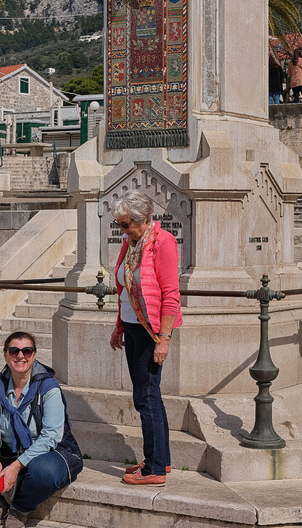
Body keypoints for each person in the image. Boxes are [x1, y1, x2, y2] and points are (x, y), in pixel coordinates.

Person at [0, 330, 83, 527]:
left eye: (27, 351)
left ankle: (19, 509)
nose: (20, 356)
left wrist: (16, 466)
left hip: (48, 452)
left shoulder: (48, 388)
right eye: (14, 351)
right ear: (5, 355)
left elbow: (51, 436)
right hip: (8, 450)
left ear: (34, 355)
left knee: (44, 471)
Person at [109, 191, 182, 486]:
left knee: (146, 397)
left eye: (125, 224)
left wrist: (164, 339)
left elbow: (171, 295)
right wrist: (119, 326)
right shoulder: (131, 243)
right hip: (132, 327)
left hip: (151, 331)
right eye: (119, 224)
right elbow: (125, 290)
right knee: (150, 395)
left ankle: (154, 469)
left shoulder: (163, 242)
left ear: (143, 219)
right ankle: (160, 460)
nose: (121, 230)